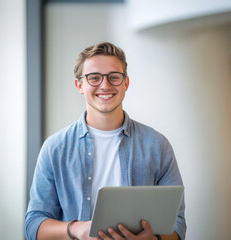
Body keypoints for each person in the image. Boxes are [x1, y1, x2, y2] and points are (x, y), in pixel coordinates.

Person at [25, 42, 186, 240]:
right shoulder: (54, 148)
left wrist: (154, 239)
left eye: (114, 77)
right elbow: (34, 224)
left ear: (125, 83)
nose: (105, 85)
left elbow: (177, 224)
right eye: (94, 78)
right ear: (79, 85)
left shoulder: (157, 145)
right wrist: (77, 230)